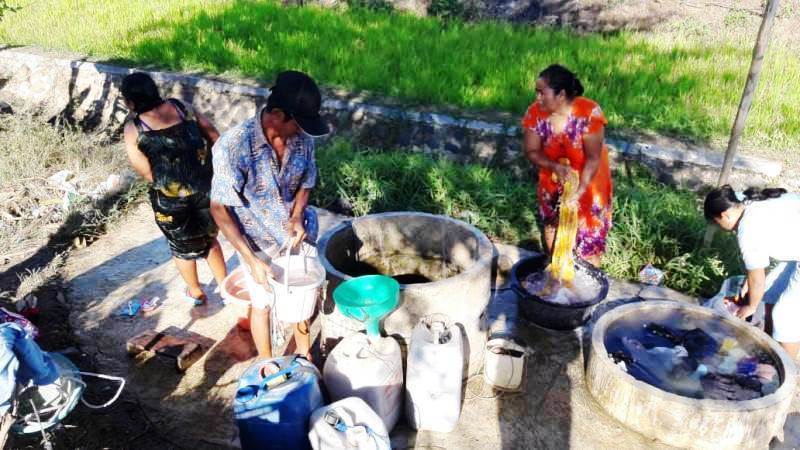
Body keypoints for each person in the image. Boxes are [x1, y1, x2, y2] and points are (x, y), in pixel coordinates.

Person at [209, 70, 329, 360]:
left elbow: (307, 180)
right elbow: (219, 208)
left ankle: (303, 352)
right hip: (255, 242)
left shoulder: (302, 141)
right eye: (298, 124)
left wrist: (298, 215)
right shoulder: (233, 147)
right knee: (262, 302)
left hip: (294, 235)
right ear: (276, 114)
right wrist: (250, 260)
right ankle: (266, 361)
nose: (301, 131)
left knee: (302, 294)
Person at [121, 72, 227, 306]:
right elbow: (214, 135)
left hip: (171, 199)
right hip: (205, 189)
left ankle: (196, 292)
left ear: (130, 101)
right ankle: (226, 287)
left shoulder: (134, 128)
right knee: (209, 240)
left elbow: (145, 172)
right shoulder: (182, 108)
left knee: (182, 247)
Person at [522, 64, 613, 268]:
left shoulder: (588, 112)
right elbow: (531, 151)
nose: (537, 98)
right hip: (552, 181)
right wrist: (553, 166)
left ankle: (585, 285)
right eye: (536, 92)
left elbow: (592, 158)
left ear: (561, 94)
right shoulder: (535, 113)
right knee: (553, 226)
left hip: (590, 184)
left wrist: (578, 192)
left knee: (589, 238)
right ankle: (556, 277)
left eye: (541, 92)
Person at [704, 185, 800, 359]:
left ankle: (787, 373)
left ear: (724, 216)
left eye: (718, 224)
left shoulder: (747, 228)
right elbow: (757, 271)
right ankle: (769, 351)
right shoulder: (746, 200)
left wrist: (750, 307)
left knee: (785, 314)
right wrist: (750, 285)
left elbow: (757, 278)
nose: (723, 229)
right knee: (770, 293)